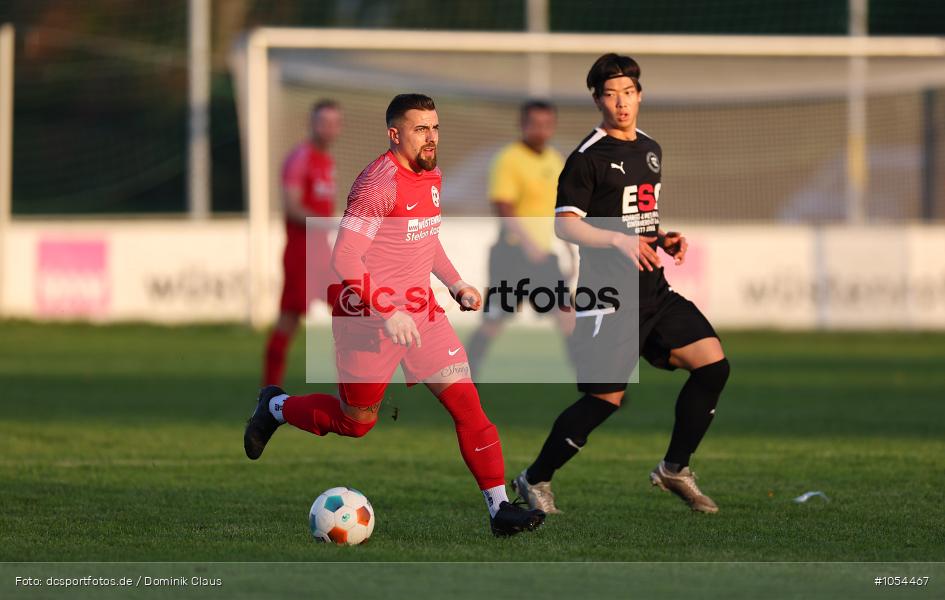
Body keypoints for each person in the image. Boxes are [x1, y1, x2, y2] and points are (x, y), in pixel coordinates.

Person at [245, 93, 546, 537]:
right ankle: (275, 406)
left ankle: (500, 509)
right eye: (421, 129)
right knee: (356, 423)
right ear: (395, 133)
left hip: (422, 315)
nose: (431, 137)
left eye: (435, 127)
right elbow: (345, 259)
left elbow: (427, 239)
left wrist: (455, 282)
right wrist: (387, 312)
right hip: (367, 320)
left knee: (469, 408)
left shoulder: (432, 174)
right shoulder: (377, 185)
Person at [512, 54, 731, 515]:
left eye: (628, 93)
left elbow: (640, 218)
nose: (621, 103)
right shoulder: (586, 158)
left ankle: (674, 468)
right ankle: (534, 478)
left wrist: (661, 239)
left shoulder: (651, 148)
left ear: (640, 94)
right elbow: (565, 226)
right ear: (597, 100)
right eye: (610, 95)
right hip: (609, 299)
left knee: (713, 366)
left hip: (654, 289)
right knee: (604, 400)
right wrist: (615, 238)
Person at [465, 100, 576, 378]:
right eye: (535, 124)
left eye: (546, 125)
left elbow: (558, 209)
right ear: (522, 124)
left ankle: (592, 382)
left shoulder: (554, 160)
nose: (541, 130)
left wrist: (568, 248)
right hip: (512, 254)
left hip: (544, 257)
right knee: (494, 321)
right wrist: (528, 245)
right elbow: (504, 207)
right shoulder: (509, 159)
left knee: (568, 316)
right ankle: (464, 375)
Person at [262, 100, 343, 386]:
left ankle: (353, 391)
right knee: (289, 318)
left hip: (323, 251)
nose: (329, 128)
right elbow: (292, 206)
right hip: (302, 252)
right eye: (323, 122)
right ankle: (268, 389)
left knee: (349, 313)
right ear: (311, 123)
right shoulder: (300, 158)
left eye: (334, 123)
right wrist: (329, 222)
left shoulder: (327, 161)